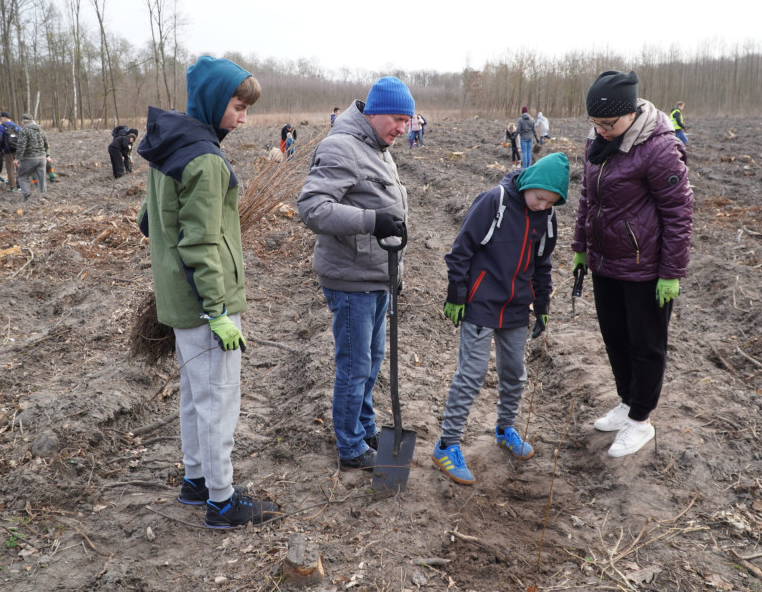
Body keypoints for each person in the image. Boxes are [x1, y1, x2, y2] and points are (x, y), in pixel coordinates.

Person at [136, 55, 280, 529]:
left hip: (178, 301)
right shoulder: (205, 159)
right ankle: (222, 501)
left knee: (196, 395)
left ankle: (196, 480)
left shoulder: (170, 145)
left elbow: (147, 221)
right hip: (205, 305)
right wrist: (217, 309)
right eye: (239, 106)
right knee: (220, 398)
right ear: (216, 102)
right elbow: (199, 242)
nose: (244, 118)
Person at [297, 76, 414, 474]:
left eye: (408, 121)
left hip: (378, 276)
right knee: (355, 365)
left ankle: (365, 428)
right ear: (375, 112)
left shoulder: (379, 148)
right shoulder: (341, 146)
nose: (403, 128)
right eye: (398, 119)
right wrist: (371, 220)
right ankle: (349, 446)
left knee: (372, 359)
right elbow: (312, 208)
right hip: (351, 281)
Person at [573, 71, 693, 458]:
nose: (602, 130)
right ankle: (626, 402)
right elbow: (587, 200)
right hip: (606, 261)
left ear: (631, 113)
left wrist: (671, 272)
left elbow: (679, 212)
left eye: (610, 123)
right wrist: (580, 246)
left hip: (646, 267)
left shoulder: (659, 148)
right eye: (596, 123)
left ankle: (640, 421)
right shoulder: (597, 141)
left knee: (646, 345)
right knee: (615, 338)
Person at [434, 152, 570, 485]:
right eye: (539, 198)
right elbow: (461, 250)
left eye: (550, 203)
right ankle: (446, 445)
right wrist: (457, 294)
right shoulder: (494, 201)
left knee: (514, 373)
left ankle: (505, 428)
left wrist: (543, 306)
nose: (541, 206)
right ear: (530, 184)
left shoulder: (546, 218)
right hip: (480, 302)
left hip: (516, 307)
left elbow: (543, 266)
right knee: (472, 374)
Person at [15, 114, 50, 202]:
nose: (21, 124)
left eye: (22, 122)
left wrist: (17, 159)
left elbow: (21, 146)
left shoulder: (24, 131)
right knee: (41, 178)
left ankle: (27, 195)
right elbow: (47, 145)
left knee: (22, 176)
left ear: (24, 122)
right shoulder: (40, 130)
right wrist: (47, 155)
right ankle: (43, 196)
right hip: (42, 158)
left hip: (29, 158)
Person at [0, 111, 20, 191]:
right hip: (18, 150)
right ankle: (20, 186)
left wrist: (0, 149)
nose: (1, 119)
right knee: (19, 168)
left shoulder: (1, 127)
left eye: (1, 118)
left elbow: (0, 139)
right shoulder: (17, 126)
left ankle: (12, 187)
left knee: (10, 168)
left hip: (7, 150)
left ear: (4, 118)